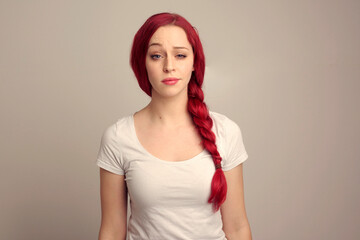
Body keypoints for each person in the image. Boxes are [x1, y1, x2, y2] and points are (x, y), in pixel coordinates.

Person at [96, 12, 252, 240]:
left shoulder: (225, 132)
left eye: (180, 55)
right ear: (143, 63)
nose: (169, 66)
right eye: (157, 56)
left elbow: (237, 228)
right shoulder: (119, 137)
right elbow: (111, 231)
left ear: (193, 63)